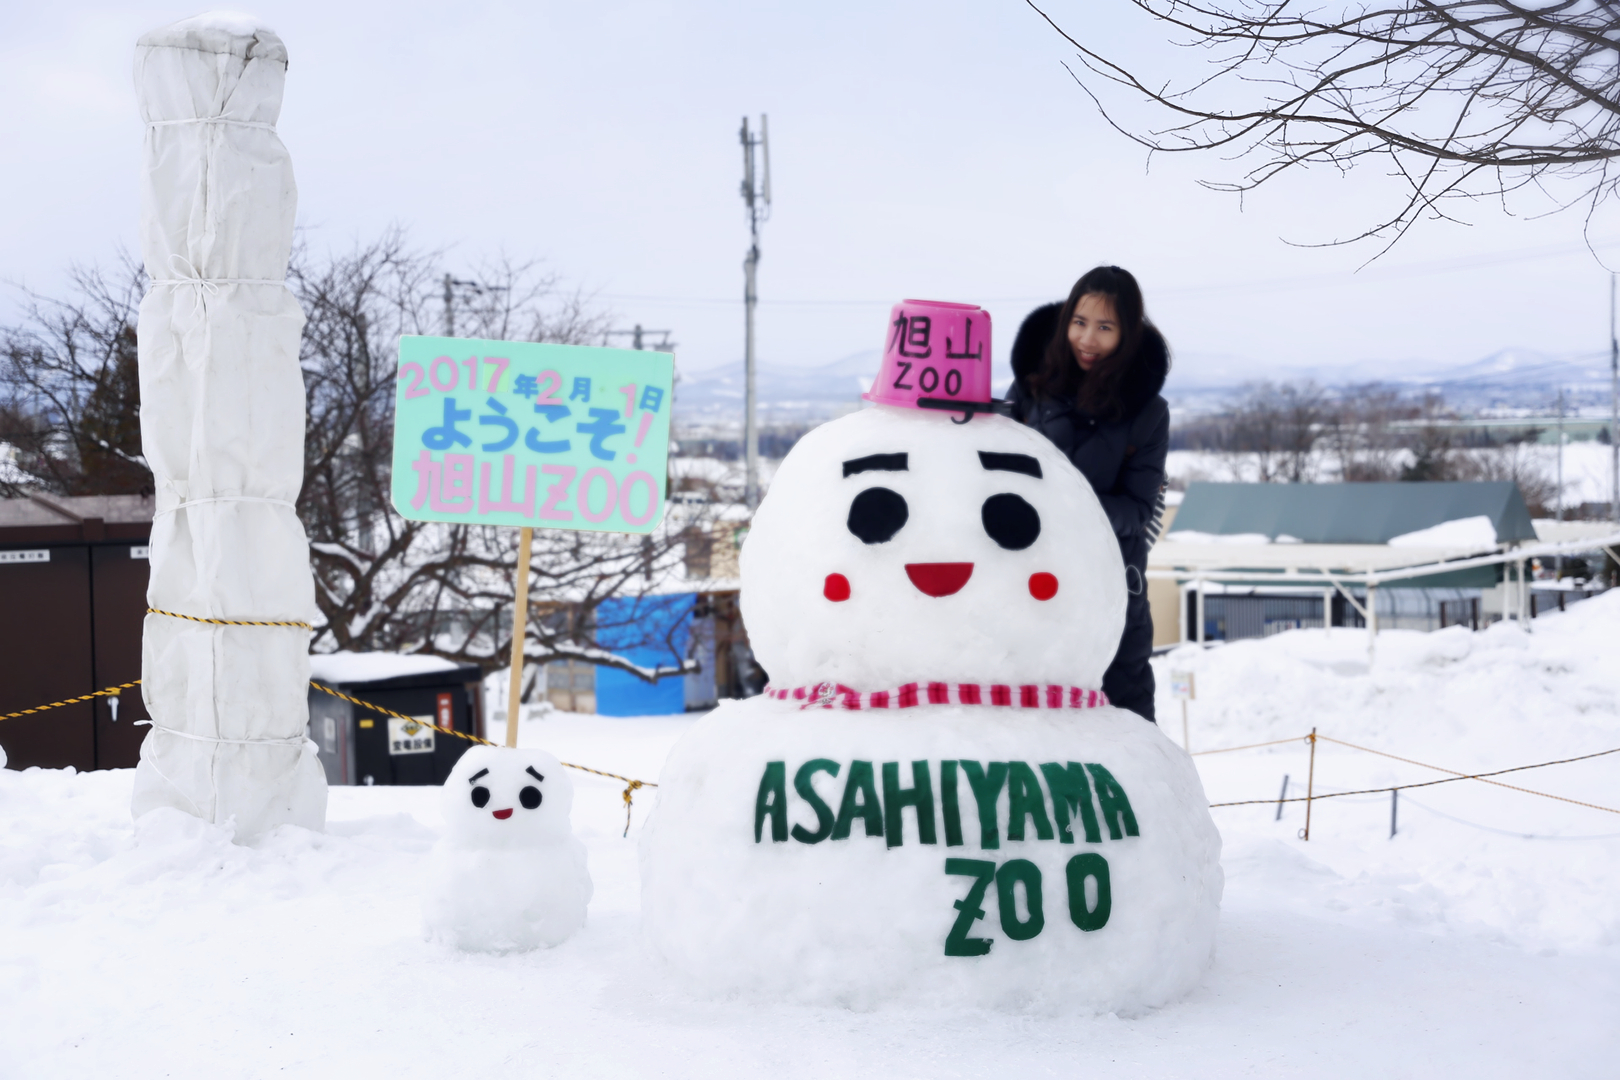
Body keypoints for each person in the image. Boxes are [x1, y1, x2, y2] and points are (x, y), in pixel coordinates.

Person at [1007, 265, 1169, 721]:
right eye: (1080, 322)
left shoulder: (1148, 412)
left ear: (1129, 333)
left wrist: (1064, 502)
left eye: (1105, 327)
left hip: (1110, 579)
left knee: (1125, 714)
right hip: (1026, 572)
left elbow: (1137, 510)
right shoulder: (1029, 389)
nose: (1088, 339)